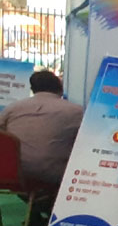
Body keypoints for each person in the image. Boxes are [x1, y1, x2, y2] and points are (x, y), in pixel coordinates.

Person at [0, 70, 84, 210]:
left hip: (10, 172)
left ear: (33, 89)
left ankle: (36, 211)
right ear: (60, 88)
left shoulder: (12, 108)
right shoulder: (76, 111)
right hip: (52, 174)